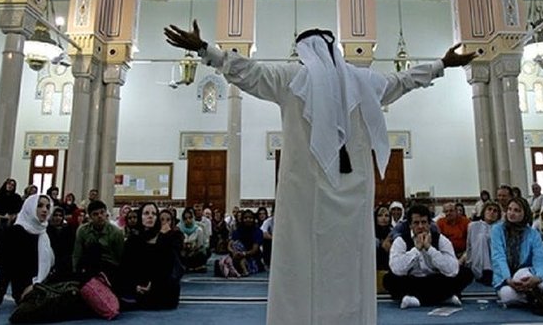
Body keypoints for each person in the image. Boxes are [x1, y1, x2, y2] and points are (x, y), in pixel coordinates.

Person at [165, 21, 475, 324]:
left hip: (303, 198)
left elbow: (248, 73)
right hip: (352, 198)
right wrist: (441, 64)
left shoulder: (293, 78)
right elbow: (403, 80)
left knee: (302, 269)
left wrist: (205, 50)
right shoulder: (362, 82)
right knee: (347, 270)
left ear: (305, 52)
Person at [383, 204, 473, 308]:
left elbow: (452, 270)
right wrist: (416, 250)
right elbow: (397, 269)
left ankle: (414, 299)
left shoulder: (441, 240)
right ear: (410, 225)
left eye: (424, 222)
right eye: (416, 223)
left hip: (436, 281)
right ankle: (443, 297)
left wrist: (430, 249)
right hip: (412, 281)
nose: (420, 226)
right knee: (389, 279)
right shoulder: (401, 241)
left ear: (429, 224)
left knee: (466, 273)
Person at [120, 202, 183, 310]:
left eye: (154, 214)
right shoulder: (133, 240)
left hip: (159, 282)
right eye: (146, 213)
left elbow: (166, 266)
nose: (150, 216)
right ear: (140, 216)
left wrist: (153, 284)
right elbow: (127, 267)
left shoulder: (164, 238)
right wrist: (135, 286)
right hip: (138, 283)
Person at [491, 197, 543, 306]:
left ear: (525, 213)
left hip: (526, 276)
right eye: (509, 209)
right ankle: (540, 296)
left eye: (517, 210)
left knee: (520, 274)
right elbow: (498, 257)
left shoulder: (533, 234)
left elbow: (540, 259)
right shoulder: (497, 230)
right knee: (506, 295)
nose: (511, 213)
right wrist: (508, 279)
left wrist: (538, 278)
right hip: (505, 279)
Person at [0, 194, 54, 305]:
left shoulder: (45, 232)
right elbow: (6, 267)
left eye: (47, 207)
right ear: (30, 208)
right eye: (40, 206)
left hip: (45, 283)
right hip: (24, 288)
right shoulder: (15, 232)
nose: (44, 210)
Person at [72, 200, 124, 287]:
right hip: (88, 266)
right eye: (95, 214)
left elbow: (120, 257)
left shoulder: (116, 232)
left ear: (106, 213)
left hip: (109, 268)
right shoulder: (83, 230)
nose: (100, 216)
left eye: (102, 212)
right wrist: (75, 273)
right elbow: (77, 253)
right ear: (90, 217)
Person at [465, 200, 501, 285]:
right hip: (477, 262)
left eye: (495, 211)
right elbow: (469, 247)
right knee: (482, 238)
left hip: (495, 263)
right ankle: (485, 270)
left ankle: (489, 270)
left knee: (486, 238)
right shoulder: (473, 226)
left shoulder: (501, 228)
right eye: (489, 209)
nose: (492, 212)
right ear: (484, 211)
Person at [374, 206, 392, 270]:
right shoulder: (370, 233)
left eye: (386, 216)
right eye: (380, 215)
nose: (383, 218)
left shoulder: (393, 233)